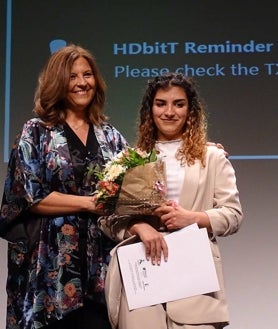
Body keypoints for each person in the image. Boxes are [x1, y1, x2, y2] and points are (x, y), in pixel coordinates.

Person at [99, 72, 243, 329]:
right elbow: (107, 219)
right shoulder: (131, 159)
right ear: (149, 109)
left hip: (193, 278)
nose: (169, 112)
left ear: (190, 110)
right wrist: (139, 227)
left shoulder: (211, 157)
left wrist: (193, 219)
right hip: (142, 276)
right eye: (161, 103)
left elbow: (232, 215)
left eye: (179, 104)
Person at [0, 44, 128, 329]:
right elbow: (27, 197)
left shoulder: (110, 136)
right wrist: (88, 203)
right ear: (58, 82)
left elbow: (136, 180)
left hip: (100, 268)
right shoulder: (36, 132)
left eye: (87, 74)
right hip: (48, 270)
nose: (82, 83)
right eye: (72, 76)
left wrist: (199, 151)